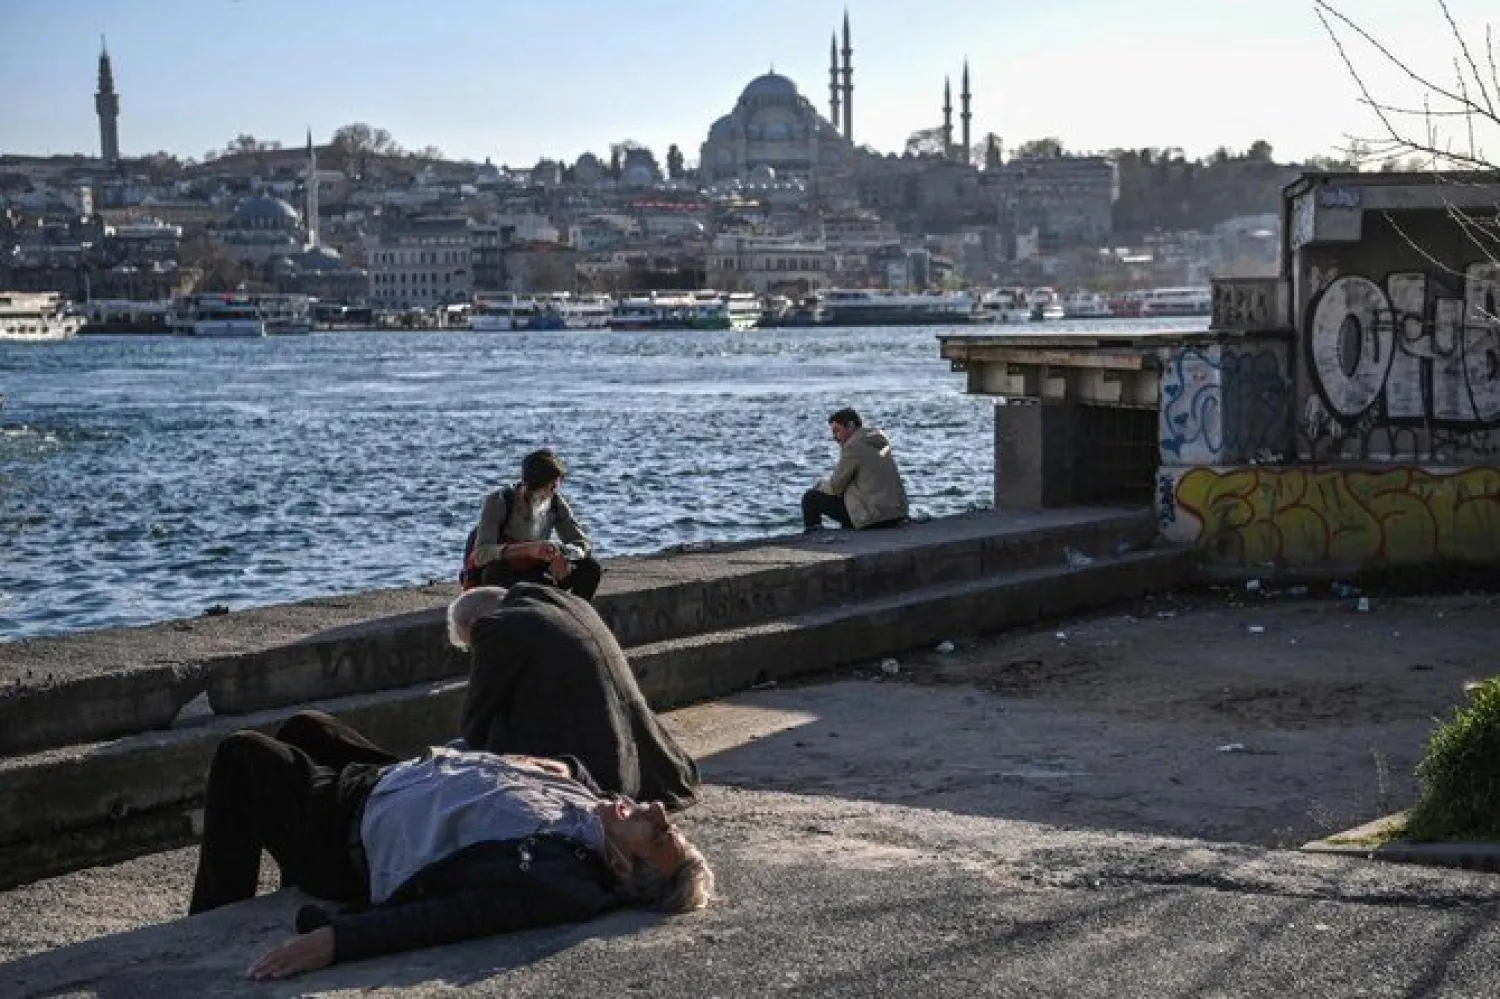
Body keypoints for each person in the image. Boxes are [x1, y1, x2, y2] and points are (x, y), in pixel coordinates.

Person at [188, 710, 713, 982]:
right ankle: (290, 873)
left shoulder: (555, 881)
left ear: (623, 866)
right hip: (399, 779)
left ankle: (206, 927)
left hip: (354, 832)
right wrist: (565, 770)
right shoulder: (602, 815)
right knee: (307, 728)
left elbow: (449, 916)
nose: (659, 811)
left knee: (244, 757)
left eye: (659, 833)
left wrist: (336, 942)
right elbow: (586, 779)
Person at [447, 584, 701, 811]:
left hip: (595, 770)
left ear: (474, 623)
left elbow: (476, 716)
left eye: (470, 647)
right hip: (651, 765)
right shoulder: (568, 604)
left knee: (457, 753)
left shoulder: (497, 626)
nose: (473, 653)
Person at [464, 448, 602, 601]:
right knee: (495, 571)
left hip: (538, 572)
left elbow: (582, 543)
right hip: (507, 574)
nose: (549, 494)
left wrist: (563, 554)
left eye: (553, 488)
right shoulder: (499, 502)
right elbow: (481, 554)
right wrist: (527, 550)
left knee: (590, 567)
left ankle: (573, 615)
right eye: (547, 488)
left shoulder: (555, 502)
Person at [801, 407, 910, 533]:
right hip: (896, 515)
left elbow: (836, 487)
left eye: (837, 431)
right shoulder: (878, 441)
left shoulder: (853, 446)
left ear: (851, 426)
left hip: (873, 518)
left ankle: (814, 538)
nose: (834, 437)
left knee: (810, 498)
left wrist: (820, 485)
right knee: (850, 491)